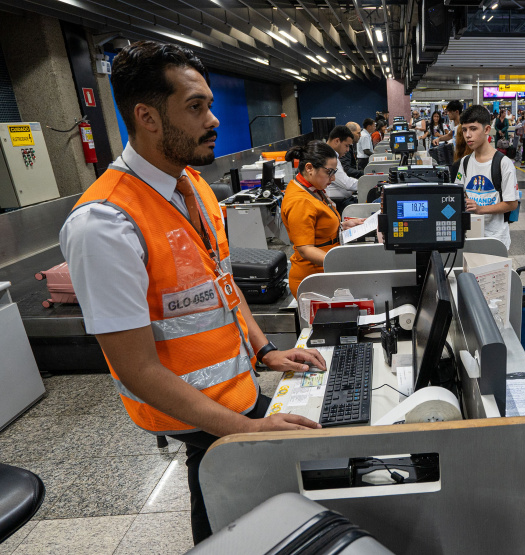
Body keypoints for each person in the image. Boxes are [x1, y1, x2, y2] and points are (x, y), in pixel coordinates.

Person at [59, 41, 327, 545]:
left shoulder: (196, 188)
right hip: (199, 415)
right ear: (148, 117)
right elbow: (136, 369)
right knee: (230, 524)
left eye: (209, 104)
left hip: (237, 394)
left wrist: (265, 350)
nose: (214, 119)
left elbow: (224, 287)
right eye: (195, 107)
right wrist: (242, 432)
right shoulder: (105, 224)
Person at [282, 141, 365, 296]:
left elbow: (317, 226)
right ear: (309, 168)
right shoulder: (300, 200)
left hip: (324, 271)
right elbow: (305, 249)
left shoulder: (312, 189)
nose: (332, 179)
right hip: (313, 280)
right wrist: (342, 264)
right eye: (329, 172)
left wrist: (342, 226)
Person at [454, 105, 519, 250]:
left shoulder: (503, 163)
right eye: (464, 130)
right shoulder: (465, 162)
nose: (468, 135)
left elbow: (512, 203)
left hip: (495, 239)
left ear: (487, 130)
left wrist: (480, 209)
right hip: (470, 234)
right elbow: (459, 191)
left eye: (473, 128)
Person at [324, 125, 360, 211]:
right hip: (339, 203)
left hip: (342, 201)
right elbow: (346, 183)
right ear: (337, 141)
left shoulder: (333, 155)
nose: (348, 150)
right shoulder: (327, 157)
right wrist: (367, 183)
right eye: (346, 145)